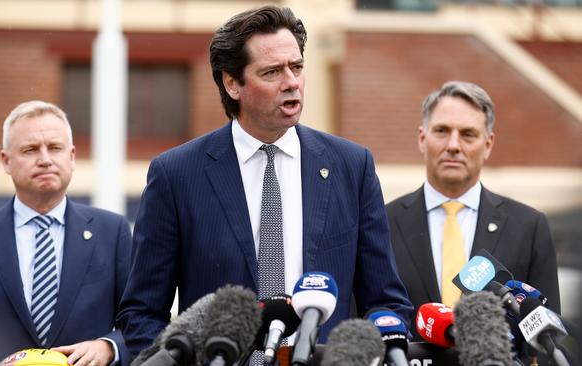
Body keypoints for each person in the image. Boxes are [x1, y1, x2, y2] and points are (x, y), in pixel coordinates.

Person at [117, 5, 412, 358]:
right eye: (272, 71)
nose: (291, 82)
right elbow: (142, 313)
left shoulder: (352, 166)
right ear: (232, 83)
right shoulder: (176, 174)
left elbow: (385, 302)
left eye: (297, 67)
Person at [0, 101, 132, 366]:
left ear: (71, 157)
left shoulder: (113, 233)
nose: (45, 159)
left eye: (55, 148)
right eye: (30, 149)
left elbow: (141, 320)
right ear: (6, 161)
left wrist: (110, 346)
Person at [386, 81, 561, 334]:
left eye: (468, 134)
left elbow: (547, 335)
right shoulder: (382, 223)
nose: (454, 146)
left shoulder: (528, 227)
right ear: (422, 138)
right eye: (442, 131)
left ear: (488, 144)